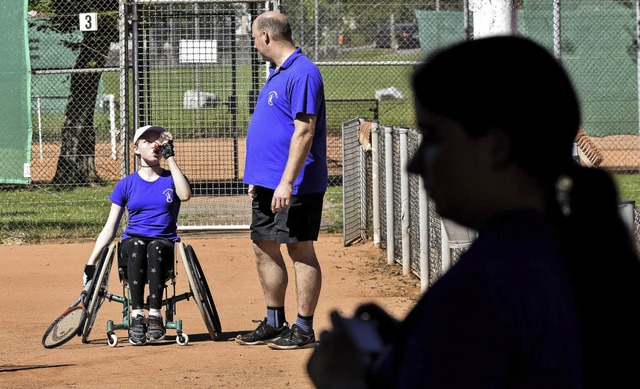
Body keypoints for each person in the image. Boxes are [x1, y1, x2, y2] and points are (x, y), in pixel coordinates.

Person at [307, 36, 640, 387]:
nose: (415, 164)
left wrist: (346, 379)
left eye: (434, 138)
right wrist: (409, 342)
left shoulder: (482, 290)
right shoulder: (576, 254)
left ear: (496, 147)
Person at [237, 10, 327, 350]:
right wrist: (259, 177)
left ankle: (304, 328)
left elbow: (304, 131)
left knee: (299, 248)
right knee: (263, 245)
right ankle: (275, 321)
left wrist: (287, 182)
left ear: (266, 38)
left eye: (253, 38)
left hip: (296, 183)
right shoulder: (277, 73)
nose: (253, 43)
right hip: (267, 182)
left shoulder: (303, 73)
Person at [82, 124, 191, 346]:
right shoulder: (126, 184)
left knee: (155, 247)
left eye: (157, 141)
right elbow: (110, 227)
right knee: (138, 245)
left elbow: (185, 194)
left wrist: (170, 158)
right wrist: (91, 262)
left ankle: (155, 315)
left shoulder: (171, 178)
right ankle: (137, 314)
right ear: (136, 149)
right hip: (133, 244)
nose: (154, 145)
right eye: (147, 141)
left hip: (164, 243)